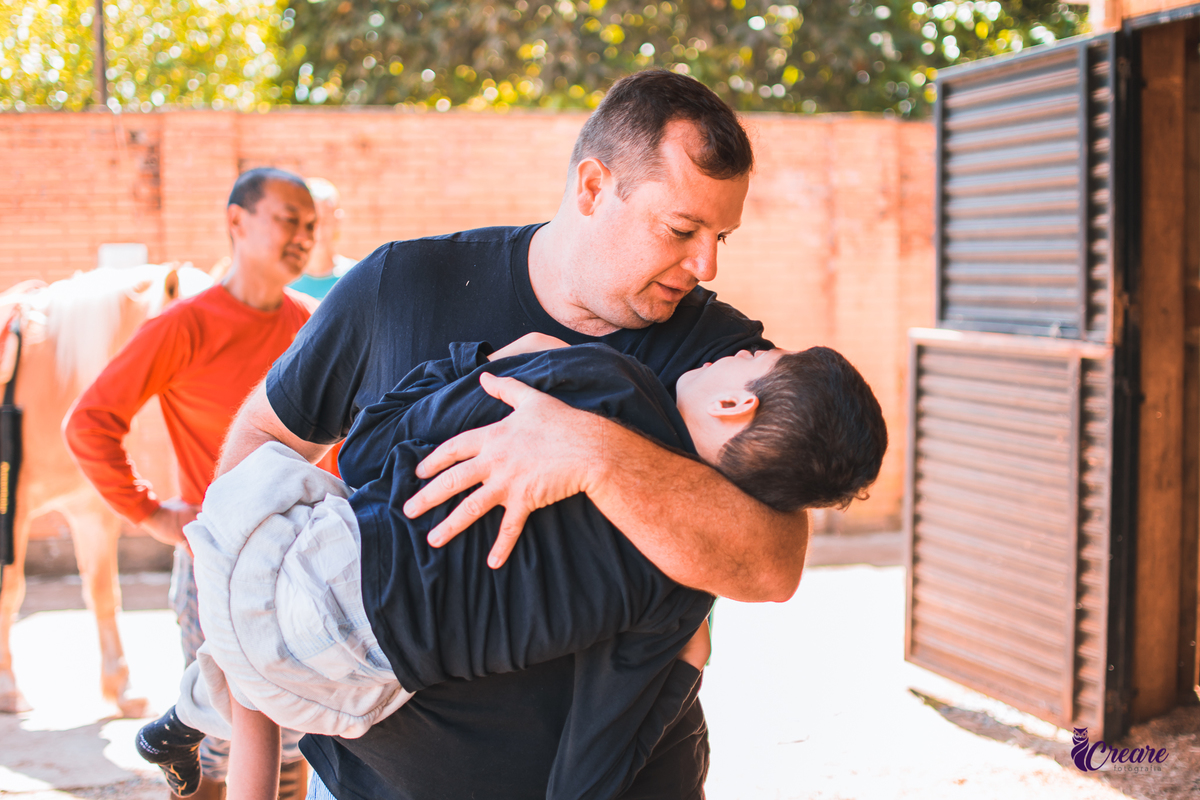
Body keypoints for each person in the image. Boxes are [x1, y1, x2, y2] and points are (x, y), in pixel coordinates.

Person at [217, 69, 811, 799]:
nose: (707, 263)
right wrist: (261, 628)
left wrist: (596, 454)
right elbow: (262, 440)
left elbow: (772, 563)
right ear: (594, 187)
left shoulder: (717, 360)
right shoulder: (404, 284)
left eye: (721, 236)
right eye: (682, 229)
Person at [136, 334, 887, 800]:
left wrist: (497, 362)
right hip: (354, 687)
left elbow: (375, 444)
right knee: (274, 672)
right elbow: (597, 746)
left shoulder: (605, 384)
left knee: (268, 470)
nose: (738, 348)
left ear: (734, 402)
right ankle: (181, 725)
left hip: (273, 580)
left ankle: (181, 721)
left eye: (756, 357)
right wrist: (688, 670)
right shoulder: (681, 591)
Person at [64, 167, 323, 800]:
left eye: (311, 225)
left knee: (302, 744)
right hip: (216, 567)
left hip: (304, 565)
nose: (303, 237)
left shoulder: (314, 325)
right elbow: (90, 425)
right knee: (217, 747)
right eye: (289, 219)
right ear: (237, 221)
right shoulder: (185, 325)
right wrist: (154, 515)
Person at [287, 178, 357, 300]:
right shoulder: (284, 281)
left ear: (337, 220)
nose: (318, 230)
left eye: (325, 220)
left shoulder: (356, 277)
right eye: (311, 222)